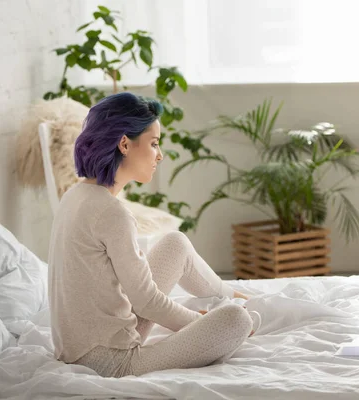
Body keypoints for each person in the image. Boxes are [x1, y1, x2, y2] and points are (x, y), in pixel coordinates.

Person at [48, 92, 253, 378]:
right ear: (124, 144)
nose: (160, 154)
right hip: (111, 362)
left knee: (175, 242)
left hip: (84, 347)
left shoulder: (75, 195)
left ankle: (228, 293)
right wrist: (197, 323)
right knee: (237, 320)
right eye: (154, 143)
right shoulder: (111, 213)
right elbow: (147, 302)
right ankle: (234, 305)